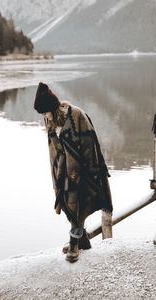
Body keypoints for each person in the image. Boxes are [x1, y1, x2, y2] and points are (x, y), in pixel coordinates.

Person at [34, 82, 113, 263]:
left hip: (84, 169)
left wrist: (89, 172)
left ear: (53, 108)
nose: (44, 117)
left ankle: (74, 243)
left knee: (77, 204)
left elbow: (90, 144)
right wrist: (57, 172)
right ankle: (83, 240)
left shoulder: (76, 115)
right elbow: (53, 148)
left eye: (45, 112)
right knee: (68, 204)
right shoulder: (49, 120)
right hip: (63, 171)